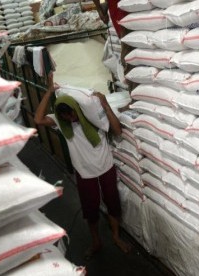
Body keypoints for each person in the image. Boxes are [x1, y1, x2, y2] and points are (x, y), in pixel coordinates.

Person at [34, 73, 131, 259]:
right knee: (90, 210)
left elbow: (117, 130)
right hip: (85, 174)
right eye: (66, 117)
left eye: (72, 115)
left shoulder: (92, 115)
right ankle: (96, 242)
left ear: (76, 109)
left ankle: (116, 237)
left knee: (113, 203)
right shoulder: (61, 122)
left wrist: (105, 104)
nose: (71, 120)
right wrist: (49, 91)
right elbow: (38, 120)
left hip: (105, 167)